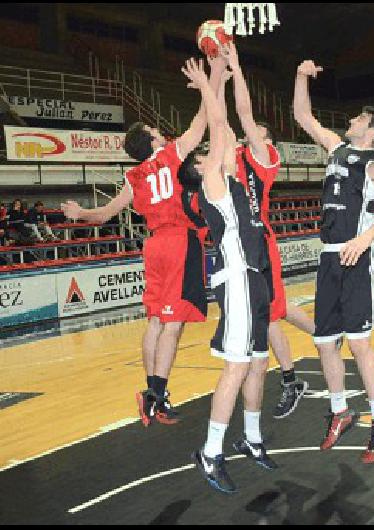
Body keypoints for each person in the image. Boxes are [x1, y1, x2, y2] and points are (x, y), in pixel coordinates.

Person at [61, 57, 225, 426]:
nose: (159, 132)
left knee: (155, 320)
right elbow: (203, 122)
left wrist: (80, 213)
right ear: (151, 140)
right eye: (154, 130)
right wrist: (209, 81)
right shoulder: (170, 155)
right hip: (179, 242)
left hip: (152, 247)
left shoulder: (133, 176)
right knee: (172, 323)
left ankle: (152, 392)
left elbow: (103, 215)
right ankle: (158, 394)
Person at [294, 59, 374, 464]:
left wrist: (364, 238)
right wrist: (300, 76)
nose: (352, 120)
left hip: (360, 256)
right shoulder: (336, 148)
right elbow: (302, 115)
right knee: (324, 342)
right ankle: (340, 410)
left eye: (359, 117)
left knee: (359, 343)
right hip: (329, 256)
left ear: (371, 130)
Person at [180, 57, 279, 494]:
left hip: (256, 277)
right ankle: (210, 450)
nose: (212, 153)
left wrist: (221, 78)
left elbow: (230, 128)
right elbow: (219, 128)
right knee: (236, 368)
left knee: (258, 363)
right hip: (238, 281)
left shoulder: (236, 183)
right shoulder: (212, 187)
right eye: (205, 156)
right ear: (200, 170)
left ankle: (251, 439)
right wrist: (210, 84)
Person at [220, 42, 313, 419]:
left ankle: (291, 380)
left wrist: (237, 68)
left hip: (258, 243)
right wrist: (214, 84)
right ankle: (326, 334)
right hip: (235, 246)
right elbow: (224, 123)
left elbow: (241, 113)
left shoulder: (265, 159)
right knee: (276, 310)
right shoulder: (236, 156)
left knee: (270, 315)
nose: (248, 136)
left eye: (255, 134)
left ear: (268, 142)